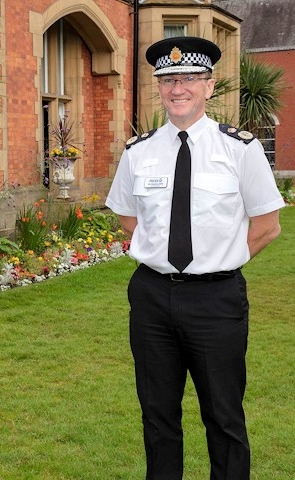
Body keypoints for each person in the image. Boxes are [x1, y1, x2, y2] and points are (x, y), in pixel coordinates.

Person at [106, 36, 284, 479]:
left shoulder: (240, 149)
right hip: (151, 298)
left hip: (217, 301)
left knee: (223, 416)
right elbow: (129, 220)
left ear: (209, 86)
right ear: (159, 88)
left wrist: (220, 260)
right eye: (167, 79)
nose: (177, 87)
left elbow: (267, 225)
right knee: (157, 417)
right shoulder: (138, 152)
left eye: (188, 78)